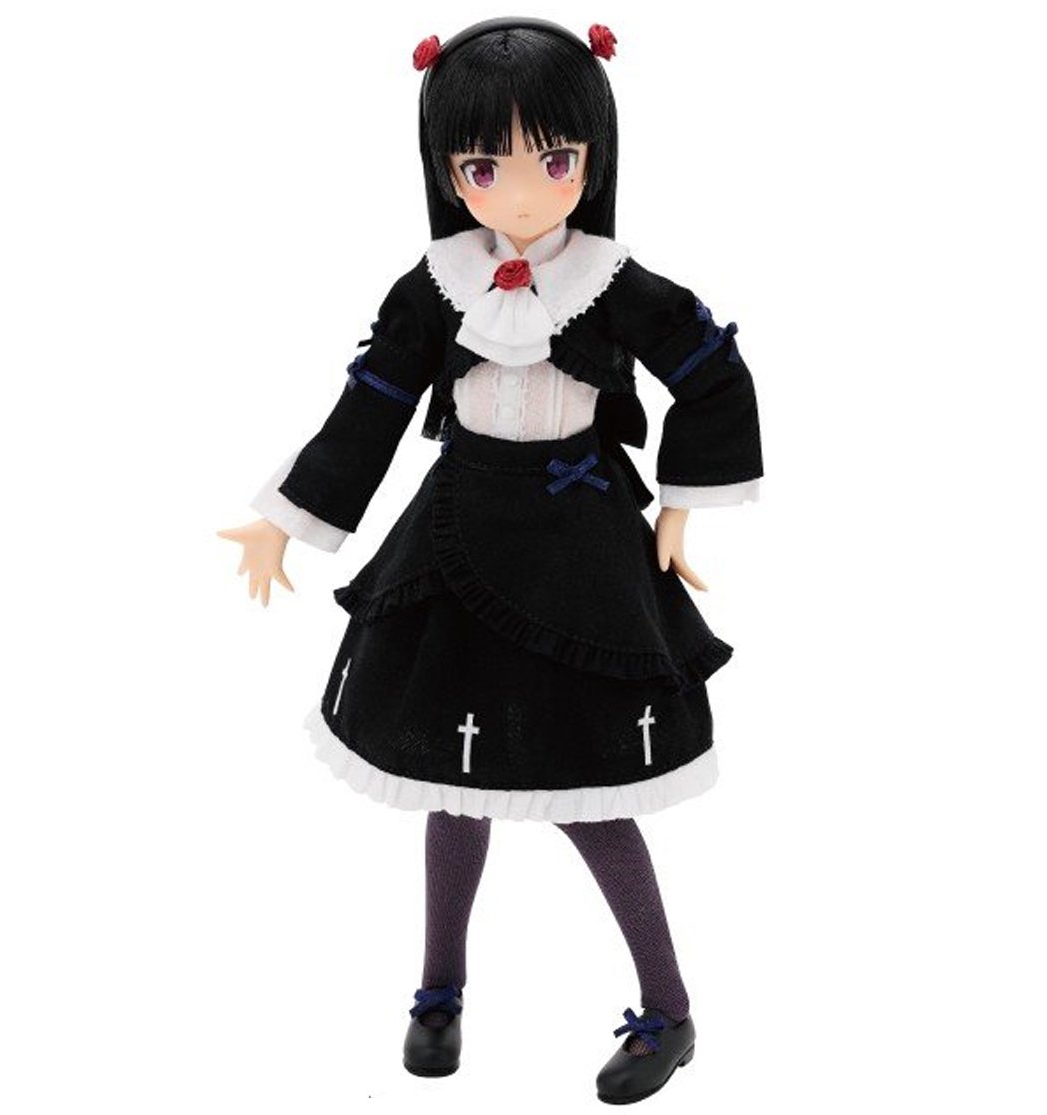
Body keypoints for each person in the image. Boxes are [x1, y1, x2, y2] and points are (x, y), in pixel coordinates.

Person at [217, 16, 762, 1105]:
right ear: (446, 170)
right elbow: (372, 402)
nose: (518, 194)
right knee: (449, 777)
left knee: (591, 793)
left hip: (582, 544)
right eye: (482, 166)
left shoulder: (615, 282)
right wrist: (289, 514)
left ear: (593, 155)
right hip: (459, 535)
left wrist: (679, 506)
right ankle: (439, 988)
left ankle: (668, 1007)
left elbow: (710, 373)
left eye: (551, 160)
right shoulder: (436, 284)